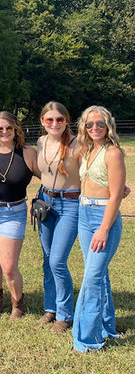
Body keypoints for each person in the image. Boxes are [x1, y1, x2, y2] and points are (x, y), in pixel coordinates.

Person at [0, 111, 39, 319]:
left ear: (16, 129)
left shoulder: (27, 153)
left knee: (9, 266)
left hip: (13, 212)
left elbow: (50, 177)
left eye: (8, 128)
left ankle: (17, 303)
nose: (4, 132)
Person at [73, 106, 125, 353]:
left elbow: (115, 196)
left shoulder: (113, 152)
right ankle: (107, 328)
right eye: (90, 124)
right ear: (84, 126)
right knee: (99, 274)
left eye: (100, 124)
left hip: (104, 217)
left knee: (91, 278)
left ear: (108, 126)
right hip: (84, 214)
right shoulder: (88, 150)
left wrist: (104, 229)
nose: (95, 128)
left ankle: (87, 340)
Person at [36, 102, 81, 332]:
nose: (55, 123)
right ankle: (50, 308)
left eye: (60, 119)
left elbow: (93, 169)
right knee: (47, 260)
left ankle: (65, 315)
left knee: (57, 261)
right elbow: (42, 171)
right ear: (42, 121)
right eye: (50, 119)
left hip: (70, 204)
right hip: (45, 202)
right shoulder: (41, 141)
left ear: (67, 120)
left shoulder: (77, 144)